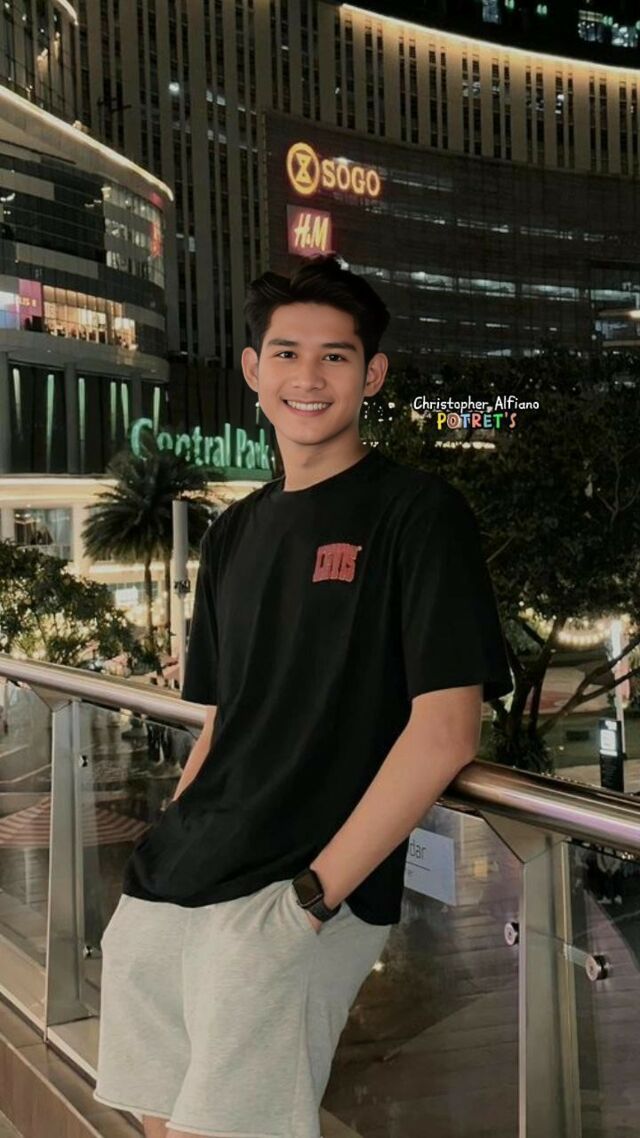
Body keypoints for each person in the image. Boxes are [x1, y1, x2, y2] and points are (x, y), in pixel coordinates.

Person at [93, 255, 513, 1138]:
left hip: (293, 894)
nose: (308, 377)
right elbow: (222, 722)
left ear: (373, 374)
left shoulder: (417, 513)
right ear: (254, 370)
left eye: (335, 356)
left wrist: (315, 900)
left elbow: (445, 732)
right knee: (157, 1117)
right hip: (173, 881)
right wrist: (167, 840)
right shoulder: (235, 531)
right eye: (286, 353)